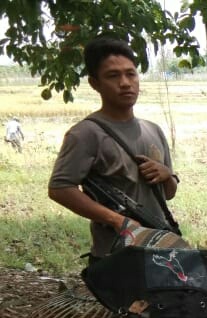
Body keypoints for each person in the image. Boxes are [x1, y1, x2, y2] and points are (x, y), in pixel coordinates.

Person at [48, 36, 179, 263]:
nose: (125, 83)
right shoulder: (86, 133)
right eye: (113, 75)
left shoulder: (153, 130)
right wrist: (116, 220)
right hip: (117, 256)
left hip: (160, 252)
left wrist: (167, 176)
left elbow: (168, 194)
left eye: (131, 74)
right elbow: (59, 188)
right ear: (95, 83)